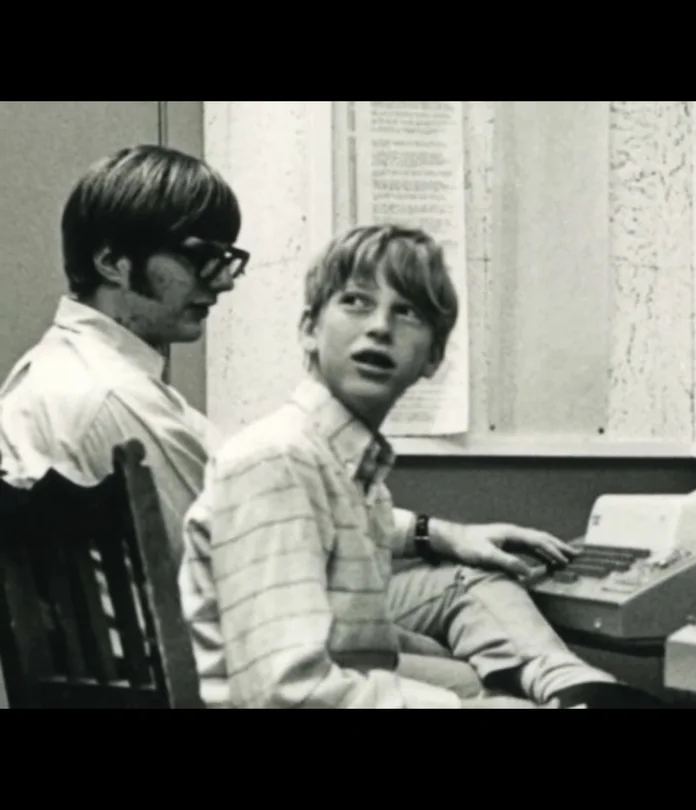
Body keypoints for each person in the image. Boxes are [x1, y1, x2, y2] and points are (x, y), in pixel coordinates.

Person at [178, 224, 665, 709]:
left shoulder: (348, 470)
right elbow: (285, 694)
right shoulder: (278, 460)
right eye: (356, 302)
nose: (380, 327)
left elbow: (354, 659)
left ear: (433, 358)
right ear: (309, 329)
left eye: (406, 311)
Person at [0, 144, 246, 564]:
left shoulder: (66, 365)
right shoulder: (112, 394)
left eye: (226, 258)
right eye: (202, 257)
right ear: (112, 262)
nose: (224, 282)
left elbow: (251, 477)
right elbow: (250, 552)